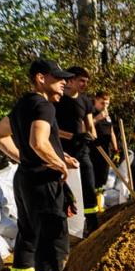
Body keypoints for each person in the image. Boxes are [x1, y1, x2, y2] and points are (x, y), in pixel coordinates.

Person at [0, 59, 84, 271]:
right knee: (53, 239)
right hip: (43, 182)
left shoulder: (23, 104)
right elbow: (38, 142)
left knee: (28, 235)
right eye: (58, 77)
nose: (64, 82)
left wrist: (27, 159)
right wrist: (58, 165)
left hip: (26, 179)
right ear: (41, 78)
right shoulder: (44, 106)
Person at [53, 66, 99, 235]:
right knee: (64, 188)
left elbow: (91, 127)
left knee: (88, 185)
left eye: (86, 82)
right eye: (81, 81)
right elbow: (51, 129)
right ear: (70, 80)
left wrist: (90, 136)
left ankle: (92, 223)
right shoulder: (57, 100)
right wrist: (72, 136)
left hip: (82, 151)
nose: (84, 84)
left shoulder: (86, 101)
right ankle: (64, 226)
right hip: (61, 152)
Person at [88, 91, 119, 211]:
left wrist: (116, 149)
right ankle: (93, 204)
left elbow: (111, 132)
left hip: (106, 150)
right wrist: (97, 119)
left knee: (103, 178)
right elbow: (85, 127)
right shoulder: (90, 113)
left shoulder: (108, 116)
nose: (105, 106)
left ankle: (100, 204)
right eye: (102, 103)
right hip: (93, 150)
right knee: (93, 178)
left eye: (107, 104)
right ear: (95, 101)